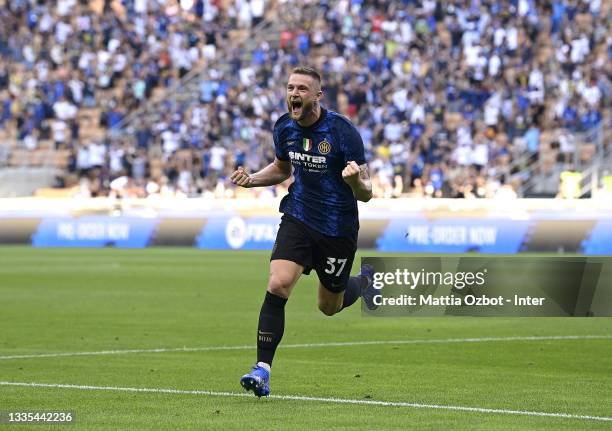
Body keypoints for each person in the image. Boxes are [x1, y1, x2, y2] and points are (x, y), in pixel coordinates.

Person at [230, 66, 377, 397]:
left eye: (301, 89)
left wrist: (355, 182)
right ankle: (262, 370)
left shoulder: (342, 132)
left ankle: (364, 281)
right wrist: (252, 179)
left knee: (329, 306)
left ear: (317, 96)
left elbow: (366, 192)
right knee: (278, 283)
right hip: (298, 216)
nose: (293, 93)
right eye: (290, 87)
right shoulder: (284, 127)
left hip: (338, 229)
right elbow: (283, 168)